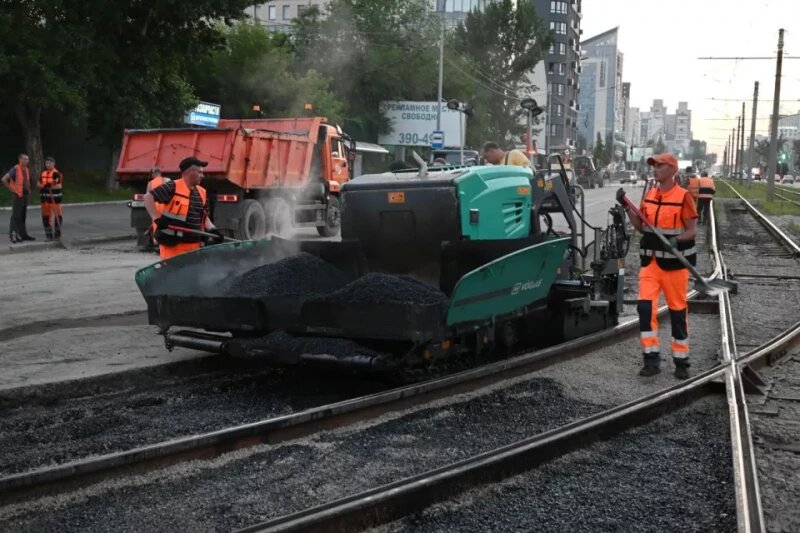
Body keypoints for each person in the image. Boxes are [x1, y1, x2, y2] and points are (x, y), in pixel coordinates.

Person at [625, 153, 698, 380]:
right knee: (645, 310)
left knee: (677, 313)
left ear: (672, 169)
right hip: (650, 264)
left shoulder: (684, 197)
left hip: (675, 266)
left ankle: (681, 362)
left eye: (660, 165)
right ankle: (651, 359)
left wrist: (677, 241)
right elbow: (641, 227)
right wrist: (628, 210)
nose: (655, 169)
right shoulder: (649, 195)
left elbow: (691, 230)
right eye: (654, 166)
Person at [144, 157, 223, 260]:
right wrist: (156, 218)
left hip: (194, 247)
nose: (202, 176)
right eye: (200, 172)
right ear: (190, 172)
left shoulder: (202, 192)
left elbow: (203, 217)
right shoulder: (173, 186)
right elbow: (148, 197)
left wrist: (213, 230)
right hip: (173, 247)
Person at [2, 153, 35, 243]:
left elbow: (26, 181)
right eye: (25, 159)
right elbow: (4, 179)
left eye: (27, 159)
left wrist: (29, 190)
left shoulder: (27, 169)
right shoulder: (15, 169)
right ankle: (13, 235)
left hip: (25, 195)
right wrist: (12, 189)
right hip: (18, 196)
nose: (26, 161)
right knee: (16, 216)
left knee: (22, 216)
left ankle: (23, 235)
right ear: (20, 159)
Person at [145, 167, 171, 250]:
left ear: (153, 174)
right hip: (165, 204)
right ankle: (166, 239)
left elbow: (147, 197)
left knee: (156, 222)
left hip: (155, 206)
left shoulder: (150, 183)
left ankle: (156, 240)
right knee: (167, 222)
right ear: (160, 173)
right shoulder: (167, 180)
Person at [39, 156, 63, 240]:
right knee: (45, 217)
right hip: (45, 199)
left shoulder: (57, 173)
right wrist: (43, 186)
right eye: (47, 163)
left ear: (54, 164)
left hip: (55, 199)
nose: (48, 165)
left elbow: (56, 182)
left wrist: (48, 185)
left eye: (50, 163)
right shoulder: (43, 173)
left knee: (57, 217)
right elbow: (38, 184)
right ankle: (49, 236)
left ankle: (57, 235)